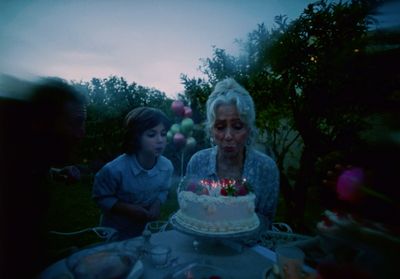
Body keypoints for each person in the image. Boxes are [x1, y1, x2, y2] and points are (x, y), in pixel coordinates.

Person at [0, 76, 87, 278]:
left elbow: (22, 246)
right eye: (75, 123)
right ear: (41, 123)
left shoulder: (27, 160)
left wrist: (56, 173)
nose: (81, 134)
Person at [185, 78, 280, 228]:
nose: (228, 135)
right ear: (211, 130)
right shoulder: (197, 162)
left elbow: (266, 221)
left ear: (249, 129)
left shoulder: (266, 168)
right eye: (220, 127)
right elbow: (189, 212)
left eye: (237, 126)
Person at [92, 107, 174, 240]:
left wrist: (157, 204)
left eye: (163, 134)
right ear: (136, 137)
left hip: (147, 230)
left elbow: (163, 190)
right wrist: (128, 209)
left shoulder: (166, 166)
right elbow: (101, 197)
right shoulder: (114, 170)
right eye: (151, 134)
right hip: (117, 232)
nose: (160, 140)